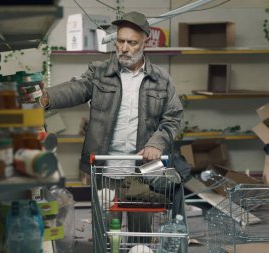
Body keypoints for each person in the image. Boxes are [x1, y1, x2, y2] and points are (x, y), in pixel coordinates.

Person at [25, 11, 183, 244]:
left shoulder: (161, 79)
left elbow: (173, 117)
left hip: (141, 170)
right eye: (120, 41)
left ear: (145, 42)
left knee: (140, 233)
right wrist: (47, 98)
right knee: (106, 231)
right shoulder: (99, 72)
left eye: (132, 42)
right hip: (105, 167)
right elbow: (76, 89)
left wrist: (156, 143)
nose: (124, 48)